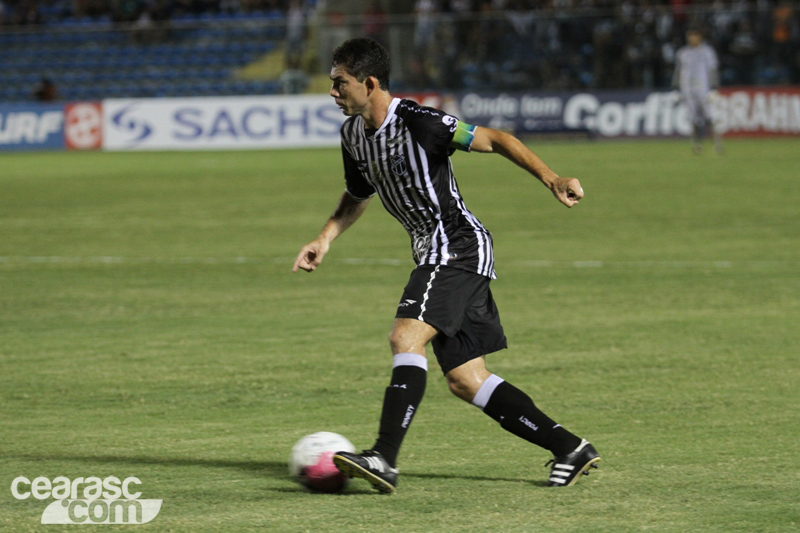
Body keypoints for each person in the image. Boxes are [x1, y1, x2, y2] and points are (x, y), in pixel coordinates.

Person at [293, 38, 599, 493]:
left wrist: (551, 178)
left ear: (370, 83)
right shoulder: (353, 135)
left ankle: (383, 458)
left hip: (456, 245)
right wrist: (324, 238)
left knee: (405, 336)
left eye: (340, 83)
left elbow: (495, 139)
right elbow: (358, 195)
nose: (333, 92)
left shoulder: (421, 121)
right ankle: (571, 448)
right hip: (434, 251)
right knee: (465, 379)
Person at [673, 28, 723, 154]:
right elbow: (678, 71)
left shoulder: (707, 51)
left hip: (703, 89)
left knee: (710, 116)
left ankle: (717, 144)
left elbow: (713, 70)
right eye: (690, 36)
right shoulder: (682, 52)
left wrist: (714, 88)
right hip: (687, 90)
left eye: (694, 35)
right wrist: (676, 89)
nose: (692, 38)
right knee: (692, 118)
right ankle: (697, 145)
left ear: (700, 37)